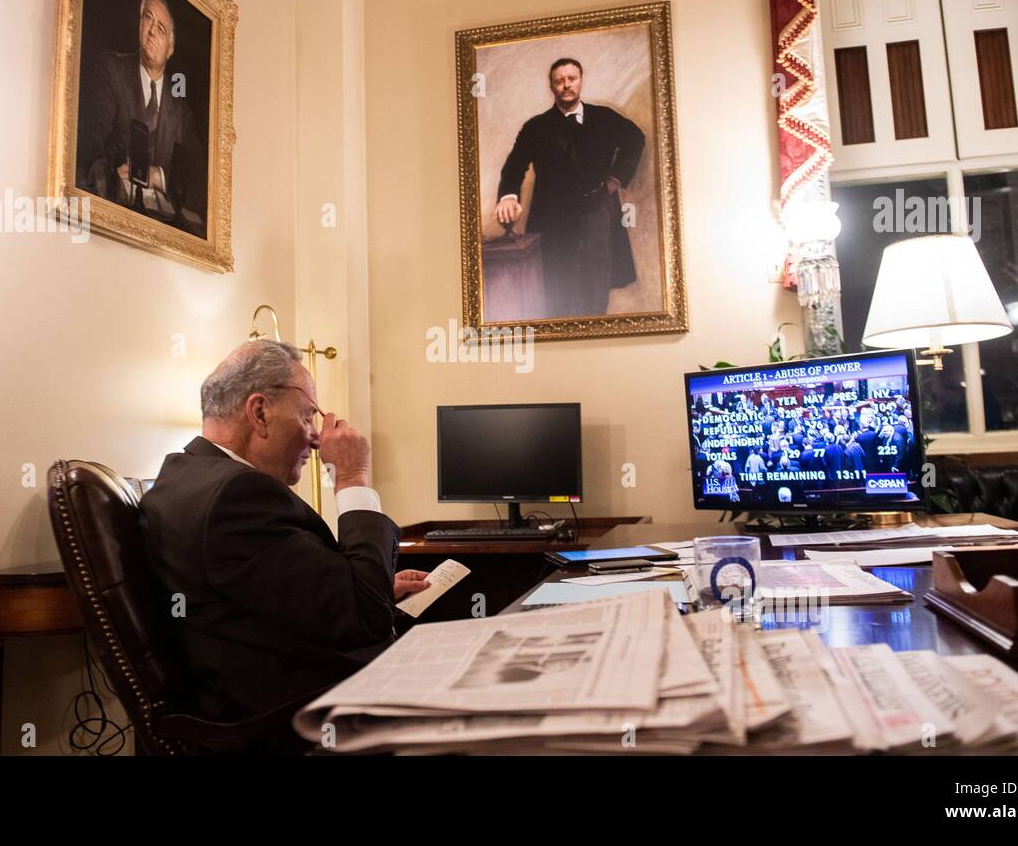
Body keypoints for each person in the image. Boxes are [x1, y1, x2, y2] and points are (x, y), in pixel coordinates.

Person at [140, 340, 430, 743]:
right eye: (309, 415)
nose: (315, 438)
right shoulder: (235, 497)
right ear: (259, 412)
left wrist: (376, 586)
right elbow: (363, 618)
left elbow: (267, 594)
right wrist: (352, 475)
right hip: (297, 717)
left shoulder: (183, 478)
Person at [495, 57, 645, 318]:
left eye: (571, 79)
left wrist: (614, 180)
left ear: (581, 80)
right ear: (552, 86)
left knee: (596, 285)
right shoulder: (535, 127)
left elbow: (635, 138)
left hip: (597, 213)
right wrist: (508, 196)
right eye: (559, 81)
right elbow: (514, 166)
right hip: (553, 218)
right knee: (557, 286)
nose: (566, 85)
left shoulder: (604, 118)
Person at [77, 0, 208, 232]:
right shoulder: (111, 71)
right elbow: (88, 144)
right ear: (139, 24)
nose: (151, 32)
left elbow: (200, 182)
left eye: (161, 29)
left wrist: (158, 176)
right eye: (148, 19)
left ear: (170, 48)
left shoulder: (180, 111)